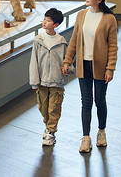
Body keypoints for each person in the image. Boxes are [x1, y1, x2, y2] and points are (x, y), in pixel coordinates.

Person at [62, 0, 118, 153]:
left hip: (101, 67)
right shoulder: (81, 15)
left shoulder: (109, 19)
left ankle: (101, 132)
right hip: (83, 65)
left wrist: (110, 69)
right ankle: (86, 138)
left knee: (99, 100)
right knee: (86, 102)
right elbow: (74, 40)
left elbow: (113, 46)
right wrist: (67, 61)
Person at [29, 8, 72, 146]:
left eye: (48, 21)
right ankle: (48, 127)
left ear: (56, 25)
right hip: (41, 82)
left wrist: (68, 69)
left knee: (54, 108)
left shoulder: (61, 41)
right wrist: (34, 82)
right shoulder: (38, 40)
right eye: (44, 19)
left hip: (56, 82)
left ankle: (51, 132)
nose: (44, 22)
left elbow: (67, 60)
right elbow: (33, 62)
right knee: (43, 107)